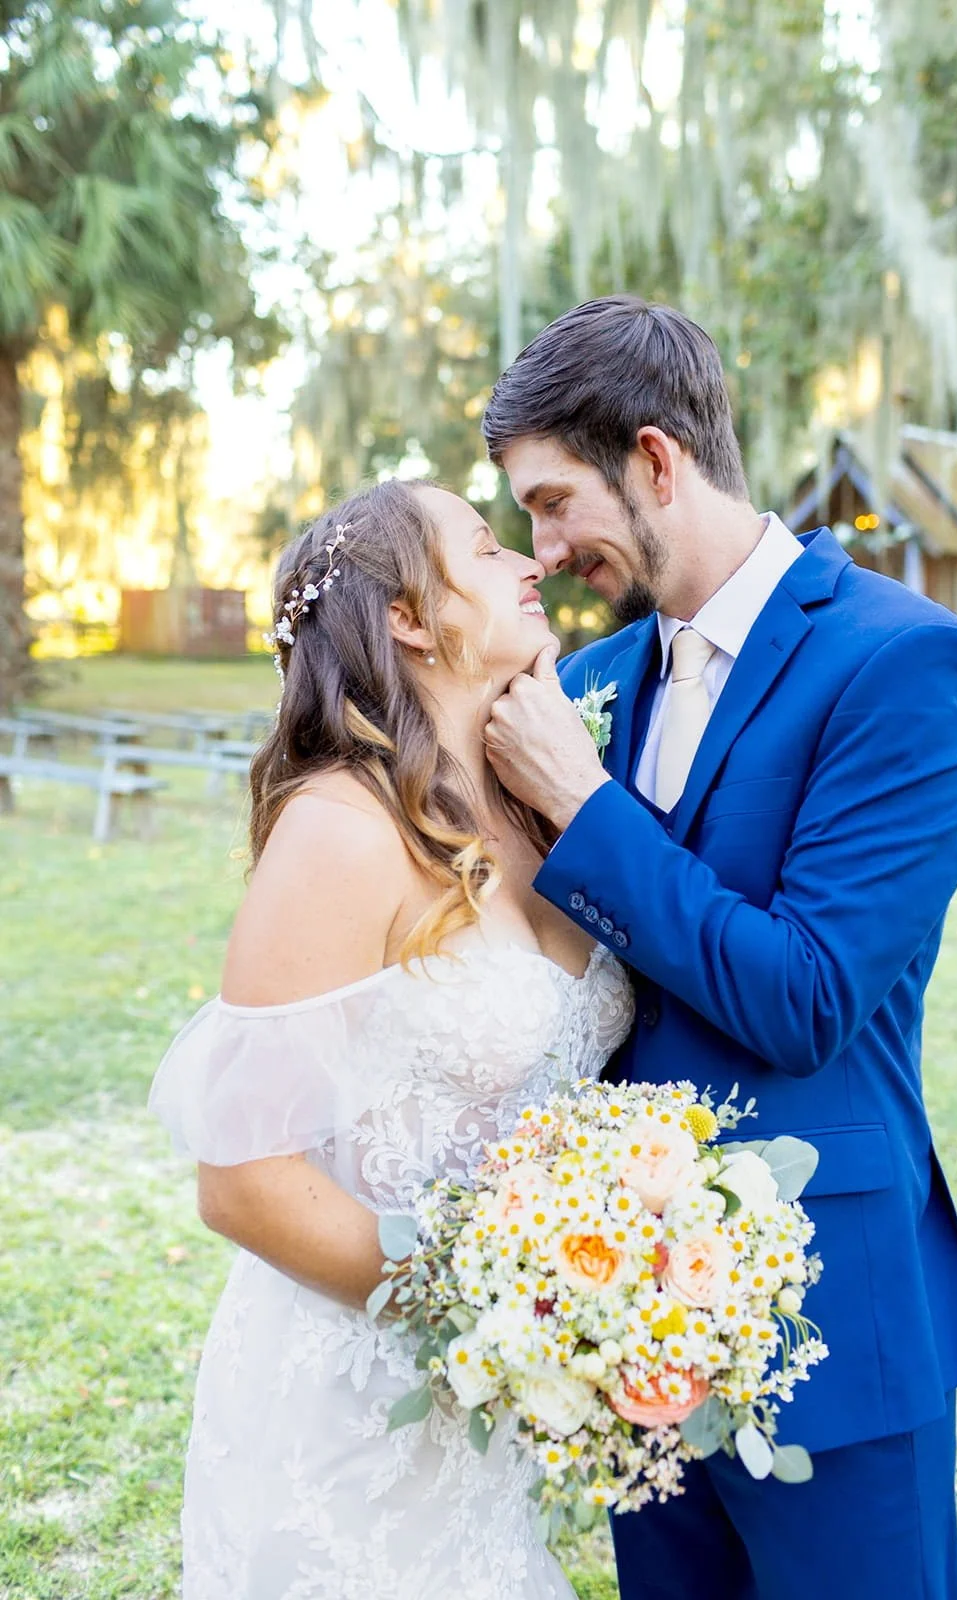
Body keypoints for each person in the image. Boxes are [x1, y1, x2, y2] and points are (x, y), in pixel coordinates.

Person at [480, 295, 957, 1600]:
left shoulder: (905, 665)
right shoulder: (594, 689)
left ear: (655, 459)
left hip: (823, 1321)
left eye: (552, 504)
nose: (539, 551)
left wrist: (583, 809)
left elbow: (806, 996)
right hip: (619, 1325)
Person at [149, 478, 634, 1600]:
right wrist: (490, 1311)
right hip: (347, 1403)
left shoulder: (539, 808)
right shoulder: (337, 829)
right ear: (410, 617)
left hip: (485, 1418)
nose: (529, 561)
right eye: (484, 542)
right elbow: (241, 1181)